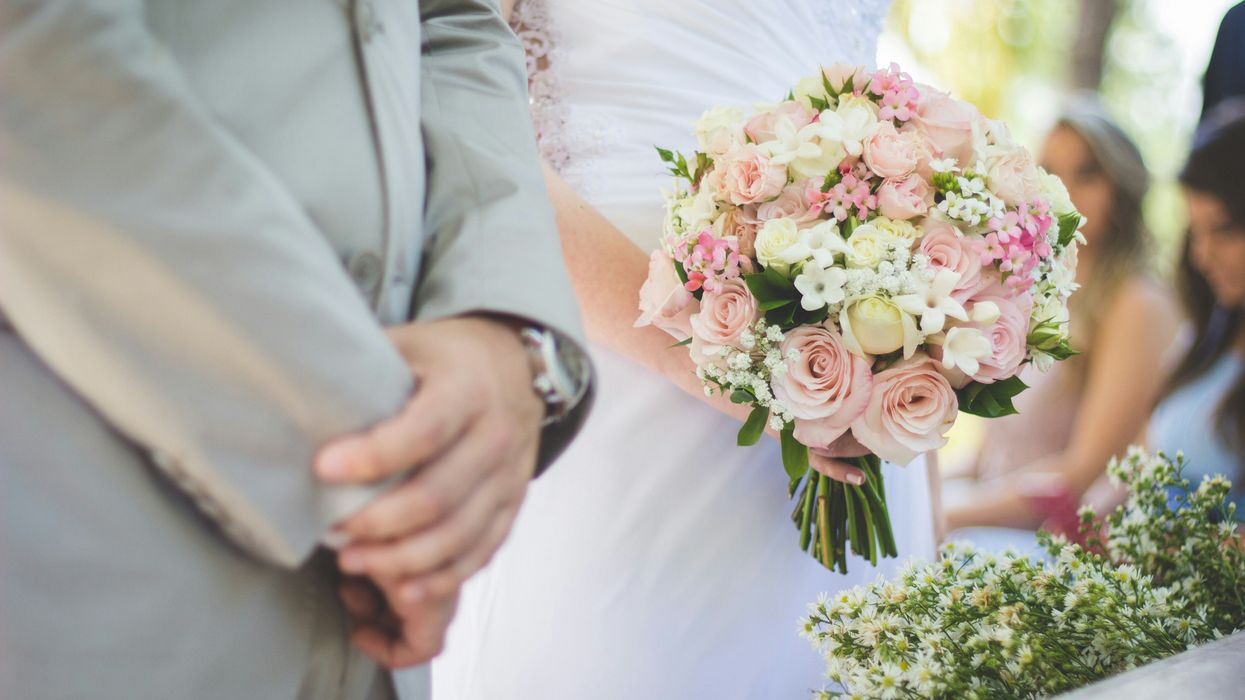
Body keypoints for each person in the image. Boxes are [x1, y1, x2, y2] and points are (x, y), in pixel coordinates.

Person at [0, 1, 592, 699]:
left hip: (391, 604)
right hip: (103, 519)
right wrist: (390, 451)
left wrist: (502, 327)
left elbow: (452, 19)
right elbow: (33, 59)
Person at [397, 1, 938, 698]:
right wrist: (719, 363)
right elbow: (458, 115)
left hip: (863, 401)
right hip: (623, 362)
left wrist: (917, 417)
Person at [943, 100, 1180, 545]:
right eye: (1051, 169)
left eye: (1087, 172)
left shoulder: (1137, 302)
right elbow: (989, 457)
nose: (1065, 187)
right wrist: (925, 491)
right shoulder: (1030, 288)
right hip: (993, 512)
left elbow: (1079, 473)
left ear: (1122, 189)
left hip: (1055, 541)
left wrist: (950, 514)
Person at [1149, 107, 1245, 515]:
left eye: (1221, 230)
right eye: (1195, 233)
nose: (1201, 256)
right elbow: (1138, 468)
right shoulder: (1205, 334)